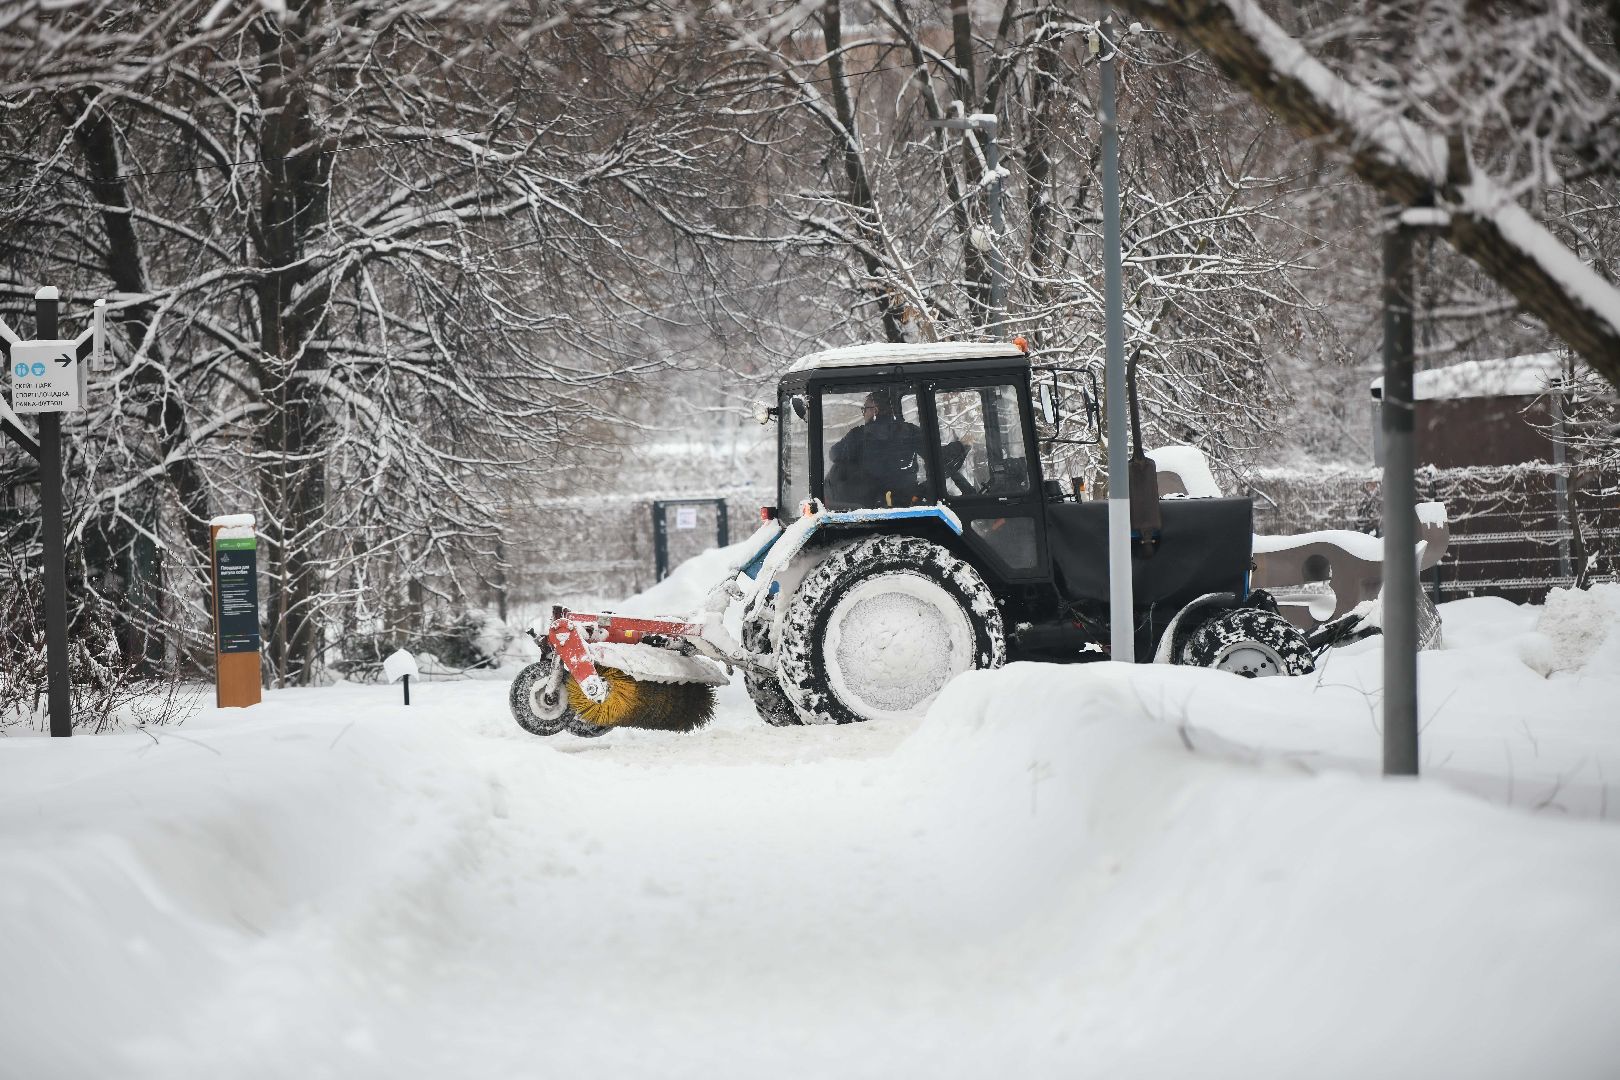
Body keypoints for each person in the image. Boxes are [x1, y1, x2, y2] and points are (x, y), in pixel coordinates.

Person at [825, 390, 923, 508]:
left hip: (868, 504)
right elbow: (934, 456)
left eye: (865, 409)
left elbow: (834, 454)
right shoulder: (911, 431)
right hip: (906, 500)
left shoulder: (858, 435)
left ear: (875, 410)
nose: (863, 414)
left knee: (838, 469)